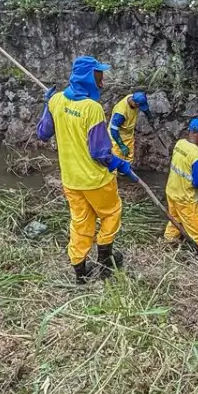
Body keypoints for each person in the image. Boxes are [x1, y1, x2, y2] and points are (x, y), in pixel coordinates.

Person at [36, 56, 136, 283]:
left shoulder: (57, 101)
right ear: (87, 77)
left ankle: (80, 272)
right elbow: (100, 153)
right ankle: (104, 264)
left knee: (80, 223)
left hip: (71, 181)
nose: (102, 83)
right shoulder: (93, 109)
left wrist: (47, 105)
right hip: (97, 181)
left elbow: (42, 134)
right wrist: (120, 164)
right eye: (99, 77)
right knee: (110, 215)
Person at [164, 118, 198, 254]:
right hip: (185, 198)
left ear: (189, 131)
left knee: (175, 220)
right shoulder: (197, 155)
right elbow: (197, 183)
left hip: (171, 191)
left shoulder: (179, 144)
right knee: (197, 228)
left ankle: (169, 241)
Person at [109, 91, 151, 162]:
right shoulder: (120, 113)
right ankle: (114, 173)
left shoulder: (136, 97)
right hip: (117, 137)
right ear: (135, 103)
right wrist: (121, 145)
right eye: (139, 107)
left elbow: (145, 107)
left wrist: (150, 117)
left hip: (128, 134)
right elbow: (113, 130)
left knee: (129, 159)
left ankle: (126, 172)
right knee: (116, 160)